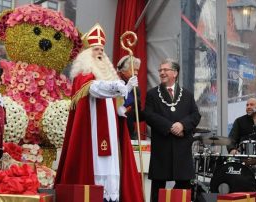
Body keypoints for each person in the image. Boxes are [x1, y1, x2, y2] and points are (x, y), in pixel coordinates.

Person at [55, 23, 144, 202]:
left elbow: (116, 103)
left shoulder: (107, 75)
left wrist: (125, 89)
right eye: (96, 49)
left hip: (111, 131)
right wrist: (118, 86)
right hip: (93, 130)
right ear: (87, 52)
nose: (100, 53)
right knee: (96, 165)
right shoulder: (84, 73)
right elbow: (95, 89)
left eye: (102, 49)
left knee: (112, 165)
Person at [144, 58, 201, 202]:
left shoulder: (187, 94)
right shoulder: (152, 94)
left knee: (184, 186)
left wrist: (182, 125)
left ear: (175, 73)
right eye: (160, 70)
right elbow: (149, 115)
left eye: (165, 70)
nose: (161, 73)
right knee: (158, 187)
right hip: (162, 148)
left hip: (182, 148)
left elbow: (195, 115)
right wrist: (170, 127)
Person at [116, 55, 141, 140]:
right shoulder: (113, 83)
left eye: (138, 70)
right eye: (134, 70)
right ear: (123, 70)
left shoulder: (136, 88)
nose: (136, 73)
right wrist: (127, 88)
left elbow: (137, 112)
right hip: (116, 129)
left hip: (130, 132)